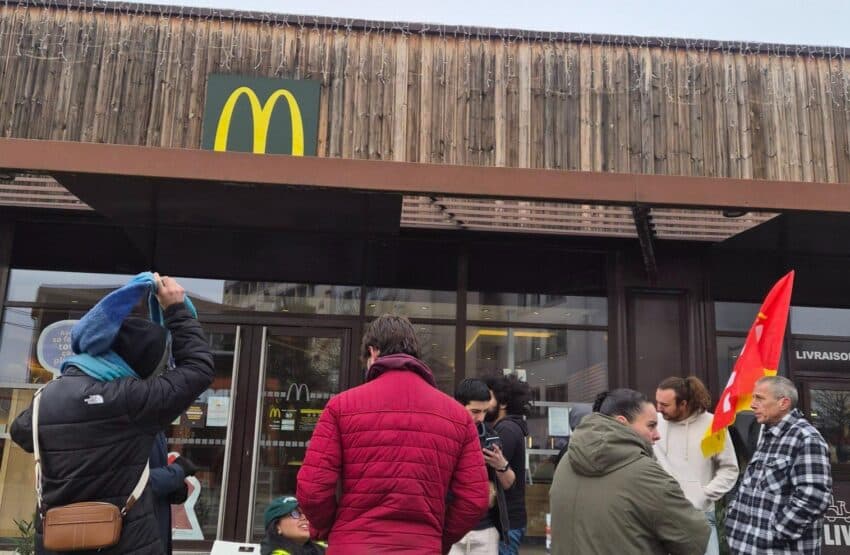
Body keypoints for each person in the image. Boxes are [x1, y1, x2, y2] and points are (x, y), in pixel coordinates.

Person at [10, 274, 215, 554]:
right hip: (123, 545)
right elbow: (197, 370)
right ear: (138, 363)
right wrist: (177, 311)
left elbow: (21, 432)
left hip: (60, 544)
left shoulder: (47, 396)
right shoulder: (128, 400)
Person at [296, 315, 489, 554]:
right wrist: (438, 537)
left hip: (354, 545)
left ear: (373, 352)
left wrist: (330, 529)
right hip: (422, 547)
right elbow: (475, 498)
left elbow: (312, 489)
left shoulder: (341, 407)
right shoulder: (457, 416)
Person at [549, 389, 710, 555]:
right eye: (651, 426)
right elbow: (694, 537)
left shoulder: (566, 461)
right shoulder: (645, 473)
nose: (657, 435)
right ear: (622, 422)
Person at [725, 376, 832, 555]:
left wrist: (776, 533)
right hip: (745, 547)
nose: (752, 405)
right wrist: (733, 518)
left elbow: (814, 497)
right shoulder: (767, 434)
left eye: (759, 398)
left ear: (783, 403)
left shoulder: (806, 438)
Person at [654, 376, 739, 555]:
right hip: (660, 515)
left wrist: (704, 494)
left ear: (683, 404)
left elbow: (729, 469)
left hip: (699, 516)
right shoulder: (654, 423)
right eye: (657, 402)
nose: (658, 409)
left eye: (665, 405)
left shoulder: (712, 426)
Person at [450, 378, 511, 554]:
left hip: (485, 528)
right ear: (458, 405)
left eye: (485, 411)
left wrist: (501, 466)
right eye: (475, 411)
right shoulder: (443, 433)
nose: (481, 418)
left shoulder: (491, 436)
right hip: (450, 525)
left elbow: (509, 483)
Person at [482, 374, 529, 555]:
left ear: (502, 403)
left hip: (506, 523)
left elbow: (489, 471)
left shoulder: (506, 430)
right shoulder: (508, 427)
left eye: (489, 397)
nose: (484, 403)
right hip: (509, 521)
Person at [149, 434, 199, 554]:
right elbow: (124, 480)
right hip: (132, 536)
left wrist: (172, 488)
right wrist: (176, 473)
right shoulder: (123, 422)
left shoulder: (153, 425)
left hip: (154, 532)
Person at [261, 496, 327, 555]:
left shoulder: (321, 548)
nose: (304, 517)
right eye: (295, 513)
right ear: (277, 527)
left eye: (306, 513)